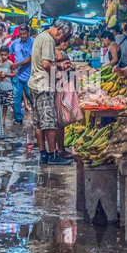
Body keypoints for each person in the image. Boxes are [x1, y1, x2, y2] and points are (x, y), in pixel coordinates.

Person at [28, 21, 74, 165]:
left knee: (39, 122)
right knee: (50, 122)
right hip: (43, 85)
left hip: (34, 83)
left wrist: (59, 65)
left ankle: (43, 154)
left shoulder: (40, 37)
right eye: (62, 35)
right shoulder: (48, 40)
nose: (61, 39)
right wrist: (59, 72)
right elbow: (47, 64)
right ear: (59, 29)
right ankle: (53, 155)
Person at [9, 23, 34, 125]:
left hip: (30, 76)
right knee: (16, 98)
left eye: (24, 33)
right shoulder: (15, 43)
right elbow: (7, 52)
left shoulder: (33, 42)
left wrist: (17, 64)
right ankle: (18, 118)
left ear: (28, 33)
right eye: (21, 34)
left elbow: (31, 59)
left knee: (31, 97)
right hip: (17, 76)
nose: (22, 35)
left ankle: (37, 116)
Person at [0, 45, 15, 127]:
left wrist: (6, 74)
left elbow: (14, 73)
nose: (3, 56)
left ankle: (3, 118)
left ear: (8, 54)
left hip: (7, 86)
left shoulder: (10, 63)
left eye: (5, 55)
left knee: (5, 104)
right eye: (2, 54)